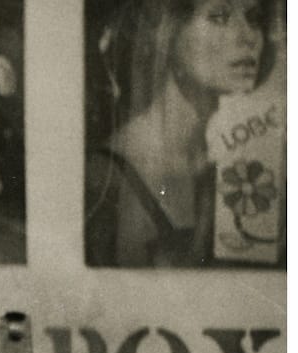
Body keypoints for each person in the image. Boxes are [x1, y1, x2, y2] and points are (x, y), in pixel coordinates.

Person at [86, 0, 270, 266]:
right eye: (219, 17)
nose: (248, 37)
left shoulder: (241, 157)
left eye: (254, 18)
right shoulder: (109, 172)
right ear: (166, 33)